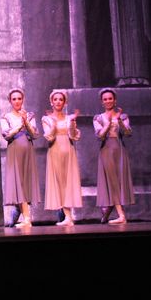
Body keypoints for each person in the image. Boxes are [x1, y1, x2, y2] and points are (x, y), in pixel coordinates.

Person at [93, 88, 135, 224]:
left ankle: (107, 213)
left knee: (118, 181)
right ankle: (121, 215)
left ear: (115, 100)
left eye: (110, 98)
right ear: (101, 102)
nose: (108, 101)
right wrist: (110, 122)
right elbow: (99, 135)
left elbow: (128, 133)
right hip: (106, 150)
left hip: (119, 150)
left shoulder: (123, 116)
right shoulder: (98, 118)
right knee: (111, 181)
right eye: (105, 99)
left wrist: (119, 121)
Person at [0, 88, 41, 227]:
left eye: (19, 98)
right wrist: (19, 126)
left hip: (28, 150)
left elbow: (35, 134)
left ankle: (25, 217)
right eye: (14, 99)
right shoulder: (6, 117)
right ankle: (26, 218)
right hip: (15, 150)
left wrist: (26, 122)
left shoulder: (29, 115)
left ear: (23, 99)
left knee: (26, 181)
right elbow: (6, 135)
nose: (17, 101)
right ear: (10, 101)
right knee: (19, 182)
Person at [42, 89, 82, 226]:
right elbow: (49, 137)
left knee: (69, 182)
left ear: (65, 103)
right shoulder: (46, 119)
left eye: (61, 99)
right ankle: (67, 217)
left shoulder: (69, 118)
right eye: (55, 99)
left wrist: (72, 122)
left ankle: (69, 217)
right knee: (59, 183)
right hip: (55, 150)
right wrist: (53, 123)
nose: (58, 102)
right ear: (51, 102)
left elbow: (74, 136)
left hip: (68, 150)